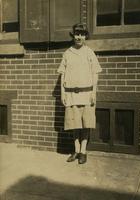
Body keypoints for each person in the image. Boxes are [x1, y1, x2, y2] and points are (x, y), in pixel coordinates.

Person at [57, 23, 101, 164]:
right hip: (71, 95)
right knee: (74, 124)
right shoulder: (67, 53)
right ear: (73, 35)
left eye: (82, 34)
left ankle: (83, 152)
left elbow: (95, 74)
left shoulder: (89, 52)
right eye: (76, 34)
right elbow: (62, 75)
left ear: (85, 36)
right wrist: (62, 93)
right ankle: (76, 150)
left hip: (86, 93)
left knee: (85, 123)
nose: (79, 37)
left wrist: (93, 92)